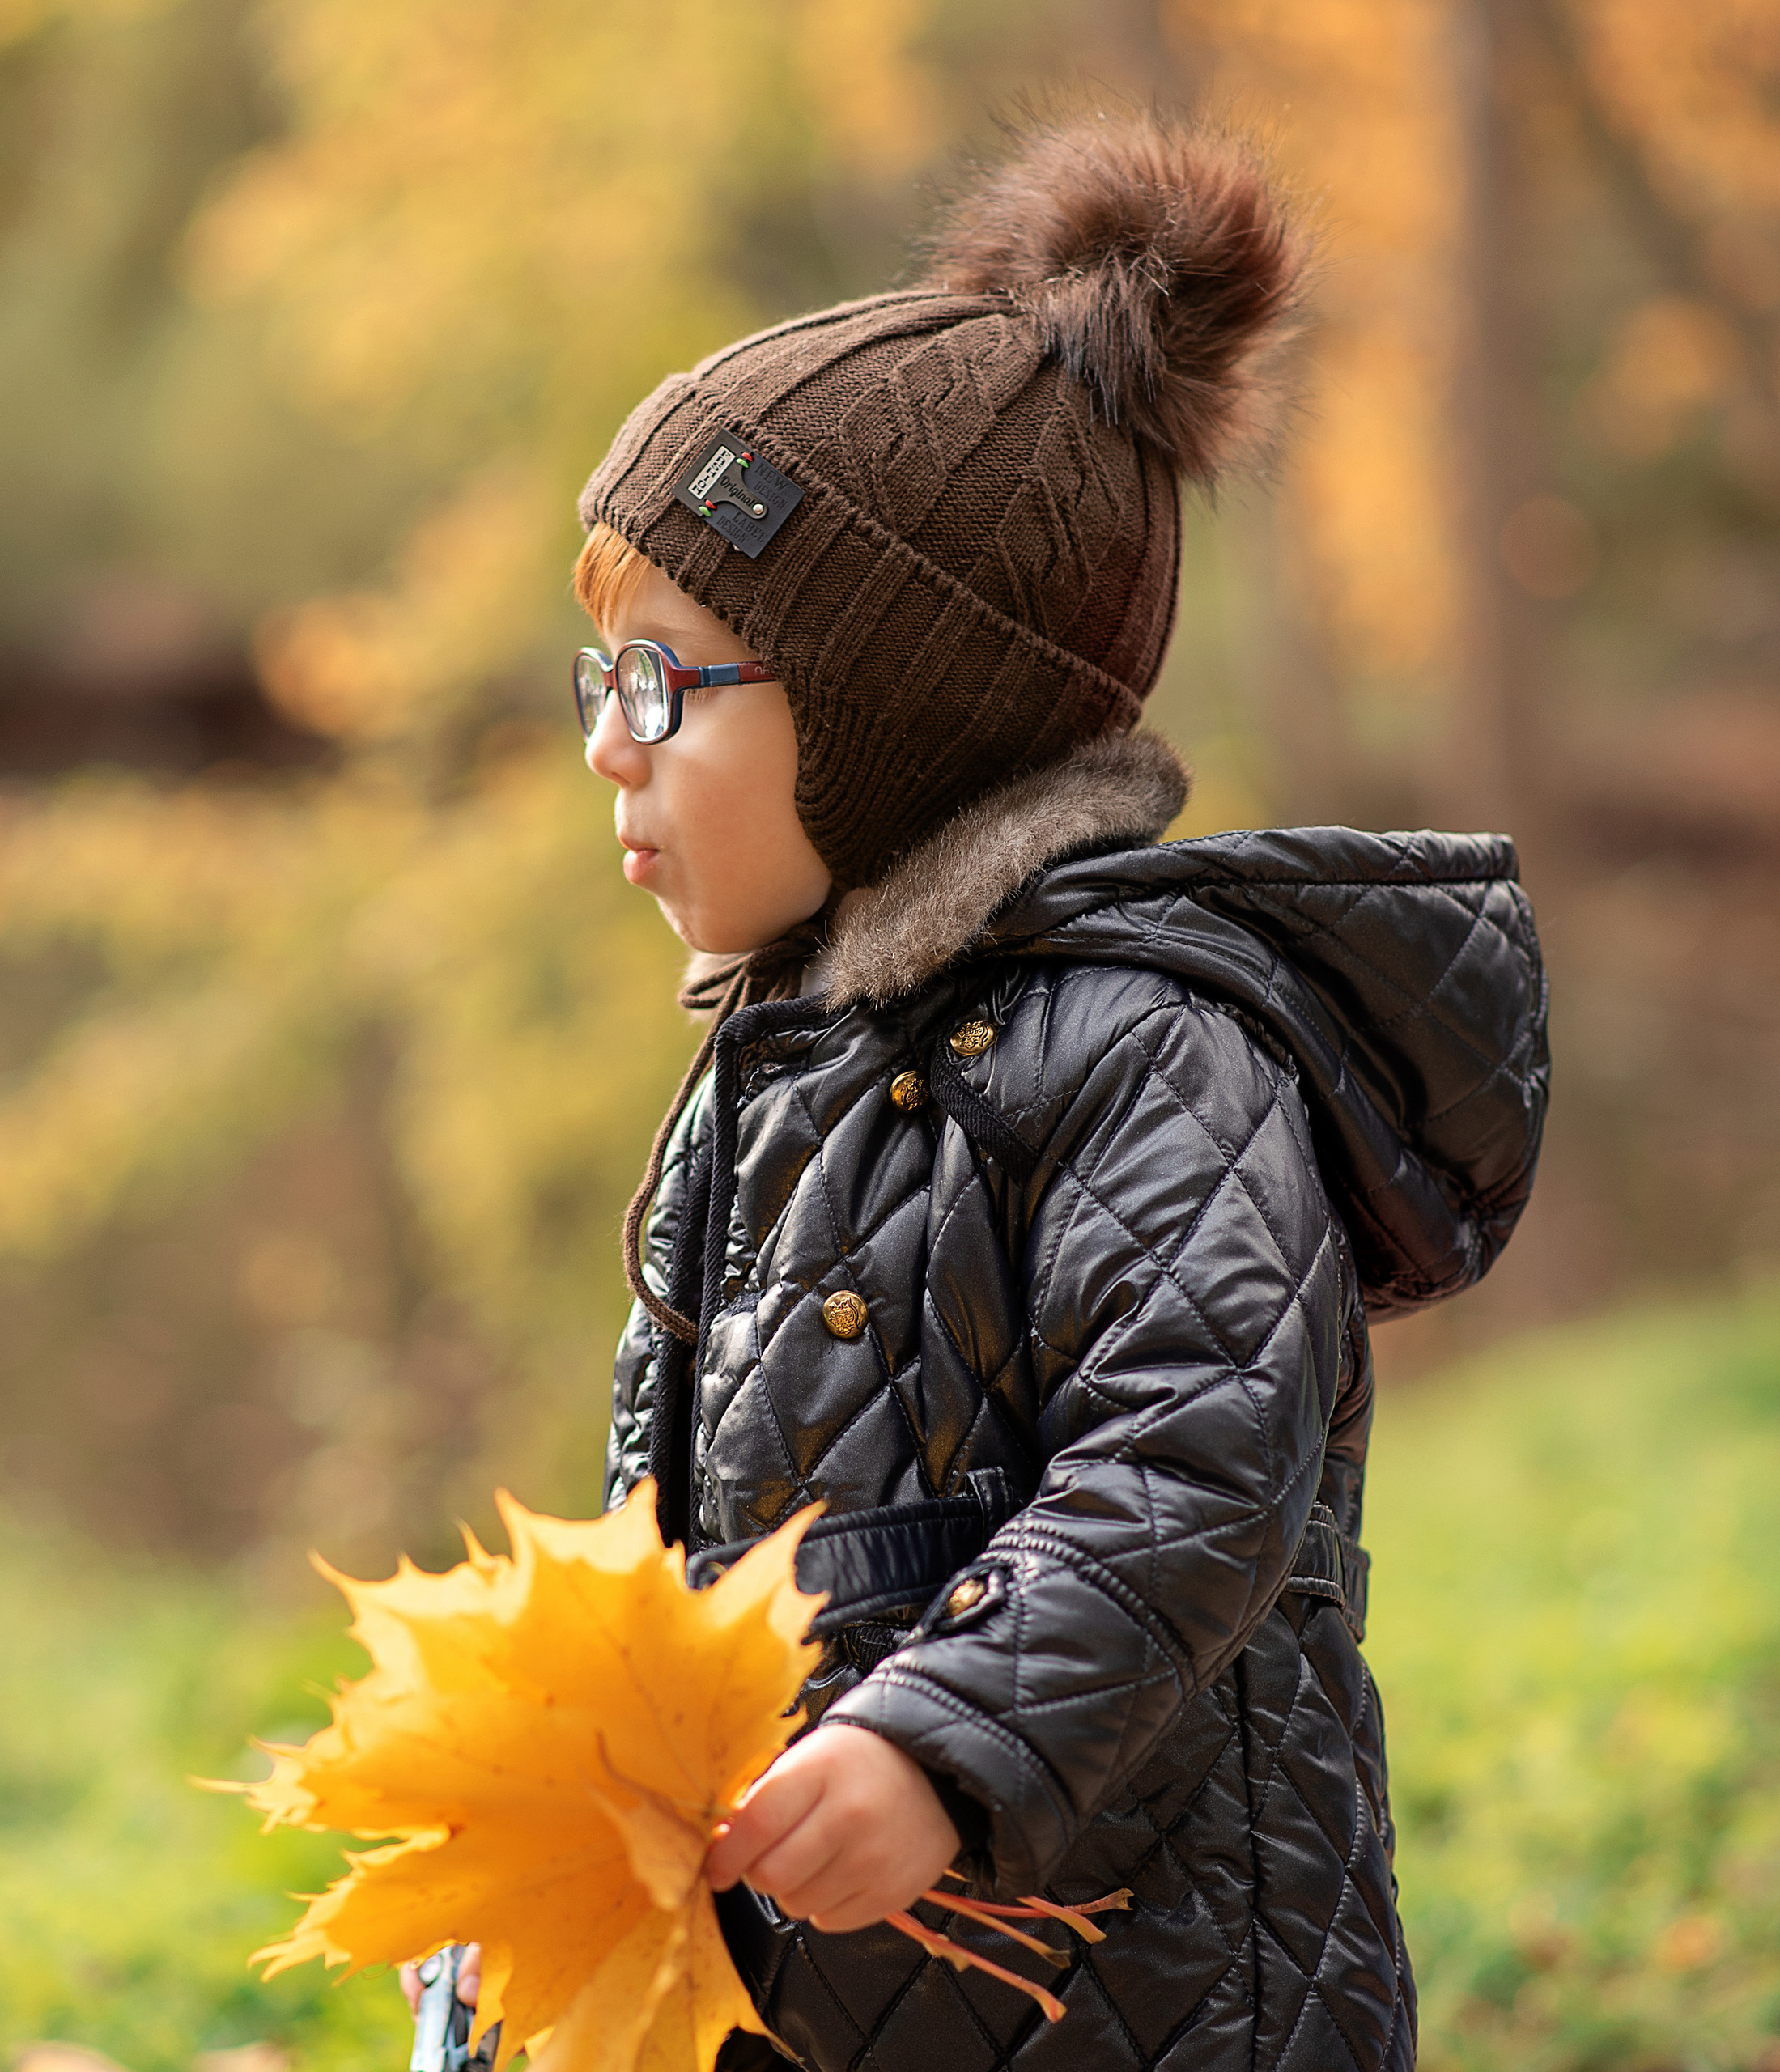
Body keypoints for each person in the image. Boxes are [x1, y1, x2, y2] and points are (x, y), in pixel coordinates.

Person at [427, 112, 1550, 2072]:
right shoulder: (770, 1059)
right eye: (595, 678)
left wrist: (942, 1732)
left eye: (666, 684)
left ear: (899, 723)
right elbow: (674, 1508)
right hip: (840, 1981)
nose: (610, 748)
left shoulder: (1143, 1049)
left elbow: (1190, 1461)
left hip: (1140, 1983)